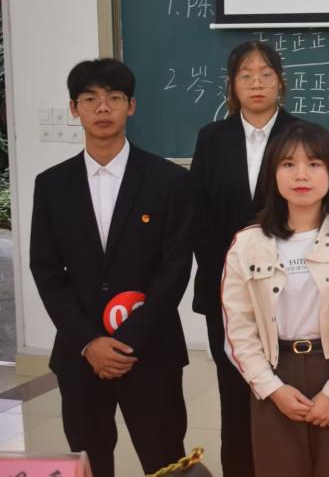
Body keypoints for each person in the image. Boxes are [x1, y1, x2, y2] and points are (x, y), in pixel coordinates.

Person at [30, 59, 191, 477]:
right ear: (74, 108)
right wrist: (88, 342)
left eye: (114, 98)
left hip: (151, 352)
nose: (102, 108)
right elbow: (46, 268)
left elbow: (175, 266)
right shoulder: (52, 184)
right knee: (90, 461)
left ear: (131, 106)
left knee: (166, 461)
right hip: (80, 355)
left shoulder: (168, 180)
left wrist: (127, 341)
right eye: (90, 99)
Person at [221, 121, 329, 477]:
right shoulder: (247, 243)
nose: (301, 175)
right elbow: (238, 329)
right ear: (273, 173)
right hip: (276, 374)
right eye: (288, 164)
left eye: (314, 163)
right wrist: (272, 388)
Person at [187, 41, 298, 477]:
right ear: (232, 85)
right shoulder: (211, 137)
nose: (257, 83)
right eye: (246, 75)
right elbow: (197, 215)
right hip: (225, 290)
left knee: (285, 389)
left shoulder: (303, 134)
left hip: (290, 289)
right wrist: (233, 275)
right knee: (234, 392)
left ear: (280, 82)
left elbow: (313, 214)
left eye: (266, 74)